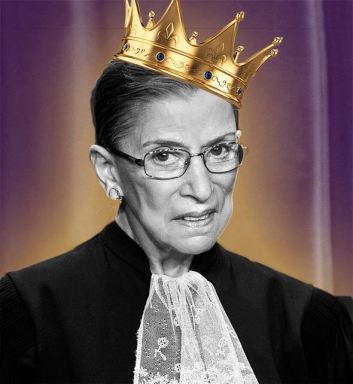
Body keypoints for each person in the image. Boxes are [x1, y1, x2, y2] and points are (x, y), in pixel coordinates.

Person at [1, 1, 352, 383]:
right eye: (165, 155)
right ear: (108, 170)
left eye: (218, 150)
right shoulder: (25, 316)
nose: (202, 189)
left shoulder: (310, 321)